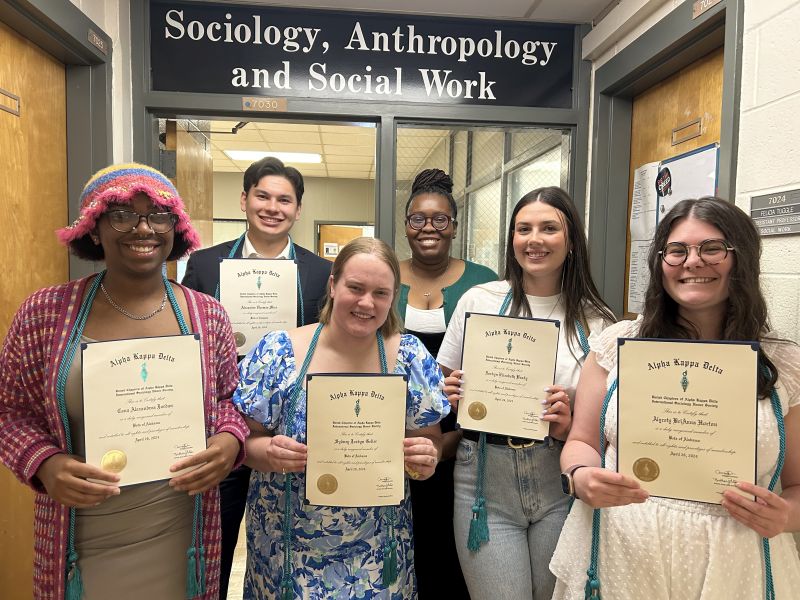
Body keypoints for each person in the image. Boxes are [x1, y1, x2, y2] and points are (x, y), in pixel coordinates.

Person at [0, 163, 249, 599]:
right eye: (122, 215)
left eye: (158, 216)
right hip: (81, 540)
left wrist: (229, 441)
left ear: (176, 228)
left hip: (181, 534)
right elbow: (9, 412)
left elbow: (230, 400)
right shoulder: (45, 312)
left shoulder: (208, 315)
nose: (143, 229)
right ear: (94, 228)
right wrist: (44, 463)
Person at [550, 197, 800, 599]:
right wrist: (579, 477)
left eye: (712, 248)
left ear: (742, 259)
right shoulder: (617, 346)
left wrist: (786, 515)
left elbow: (797, 485)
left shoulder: (783, 363)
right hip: (621, 551)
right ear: (660, 262)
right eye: (677, 250)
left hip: (735, 562)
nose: (693, 262)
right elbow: (581, 442)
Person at [233, 237, 450, 598]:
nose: (367, 302)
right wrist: (268, 452)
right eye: (355, 287)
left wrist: (427, 457)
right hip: (286, 551)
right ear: (333, 285)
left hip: (377, 554)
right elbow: (246, 440)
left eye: (381, 293)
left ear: (393, 297)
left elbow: (432, 439)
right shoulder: (280, 352)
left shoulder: (408, 358)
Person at [437, 187, 615, 600]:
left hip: (560, 478)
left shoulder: (597, 322)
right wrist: (449, 393)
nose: (534, 239)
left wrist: (569, 426)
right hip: (483, 474)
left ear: (571, 241)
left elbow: (603, 425)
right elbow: (440, 387)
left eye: (549, 228)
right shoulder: (480, 301)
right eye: (524, 229)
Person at [181, 156, 331, 597]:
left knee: (285, 545)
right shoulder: (206, 266)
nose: (273, 207)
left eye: (285, 199)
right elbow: (190, 341)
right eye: (263, 196)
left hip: (287, 433)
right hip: (222, 425)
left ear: (298, 209)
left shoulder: (321, 273)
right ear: (244, 200)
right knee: (215, 542)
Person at [397, 168, 496, 598]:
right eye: (418, 219)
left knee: (451, 548)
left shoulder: (484, 282)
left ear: (454, 226)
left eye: (440, 219)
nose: (429, 229)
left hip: (465, 437)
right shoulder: (385, 274)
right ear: (406, 224)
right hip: (399, 432)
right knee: (407, 538)